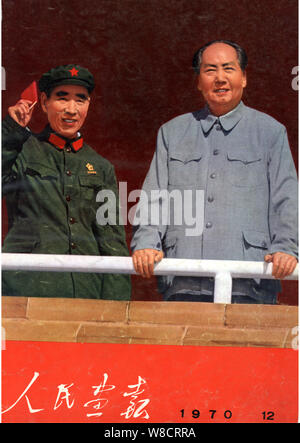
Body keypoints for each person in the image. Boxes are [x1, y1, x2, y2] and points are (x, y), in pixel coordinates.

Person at [131, 40, 298, 304]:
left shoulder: (270, 132)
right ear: (198, 81)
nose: (220, 78)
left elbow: (286, 198)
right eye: (210, 70)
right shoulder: (172, 132)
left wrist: (286, 248)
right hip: (183, 278)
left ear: (244, 78)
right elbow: (155, 196)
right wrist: (146, 242)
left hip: (250, 280)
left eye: (228, 69)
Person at [2, 64, 131, 300]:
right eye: (62, 98)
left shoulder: (101, 167)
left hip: (85, 292)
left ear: (88, 105)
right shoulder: (21, 150)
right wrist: (10, 131)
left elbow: (113, 241)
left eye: (80, 100)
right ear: (43, 102)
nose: (72, 109)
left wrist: (115, 307)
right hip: (27, 290)